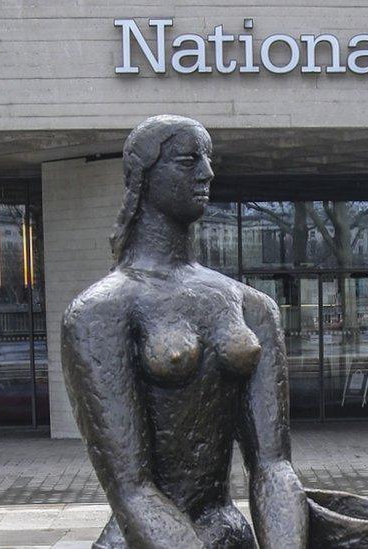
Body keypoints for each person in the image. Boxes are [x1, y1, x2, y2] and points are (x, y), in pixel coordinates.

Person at [61, 115, 308, 549]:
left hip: (228, 534)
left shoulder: (253, 306)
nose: (207, 172)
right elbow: (132, 489)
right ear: (144, 177)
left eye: (208, 159)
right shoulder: (101, 311)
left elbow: (273, 466)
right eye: (188, 160)